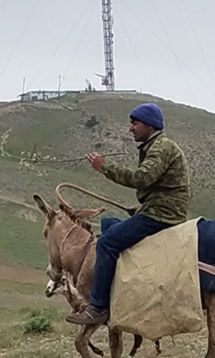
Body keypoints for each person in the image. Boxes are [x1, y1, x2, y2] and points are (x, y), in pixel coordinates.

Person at [67, 103, 191, 325]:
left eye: (135, 123)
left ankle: (98, 307)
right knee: (108, 223)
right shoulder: (156, 146)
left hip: (162, 215)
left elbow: (141, 179)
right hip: (155, 209)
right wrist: (143, 206)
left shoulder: (161, 147)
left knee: (106, 243)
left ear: (149, 126)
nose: (130, 128)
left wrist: (104, 167)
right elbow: (157, 185)